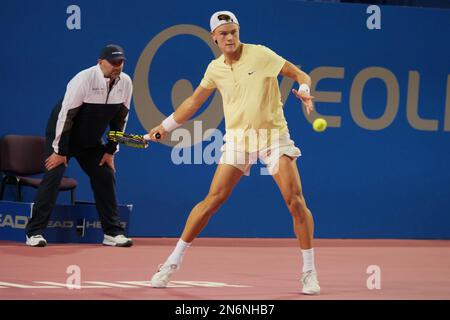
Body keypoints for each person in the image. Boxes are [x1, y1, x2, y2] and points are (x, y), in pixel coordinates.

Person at [148, 11, 320, 294]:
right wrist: (165, 127)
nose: (230, 37)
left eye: (234, 32)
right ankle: (171, 264)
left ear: (239, 32)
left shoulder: (261, 54)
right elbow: (193, 102)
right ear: (214, 37)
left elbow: (299, 74)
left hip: (272, 137)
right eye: (224, 33)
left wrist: (303, 88)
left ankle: (309, 272)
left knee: (295, 201)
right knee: (212, 200)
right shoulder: (214, 69)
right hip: (238, 140)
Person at [25, 44, 133, 248]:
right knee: (54, 174)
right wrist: (59, 151)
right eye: (113, 62)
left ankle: (112, 233)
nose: (117, 66)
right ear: (101, 62)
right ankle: (34, 233)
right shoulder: (83, 79)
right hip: (64, 135)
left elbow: (120, 120)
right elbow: (66, 116)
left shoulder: (126, 82)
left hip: (90, 141)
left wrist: (110, 151)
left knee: (105, 174)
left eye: (121, 62)